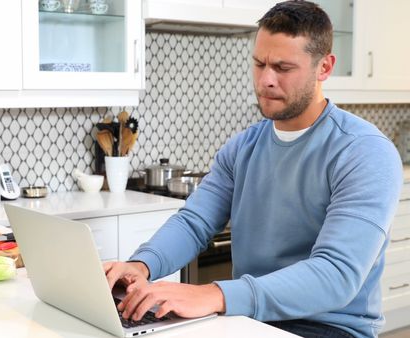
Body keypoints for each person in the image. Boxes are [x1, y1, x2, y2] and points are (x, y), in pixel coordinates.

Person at [103, 1, 403, 338]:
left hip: (327, 327)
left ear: (325, 67)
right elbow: (195, 222)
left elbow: (336, 274)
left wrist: (213, 294)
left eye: (283, 67)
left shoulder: (364, 152)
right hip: (248, 319)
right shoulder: (243, 147)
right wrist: (141, 265)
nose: (266, 80)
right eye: (259, 64)